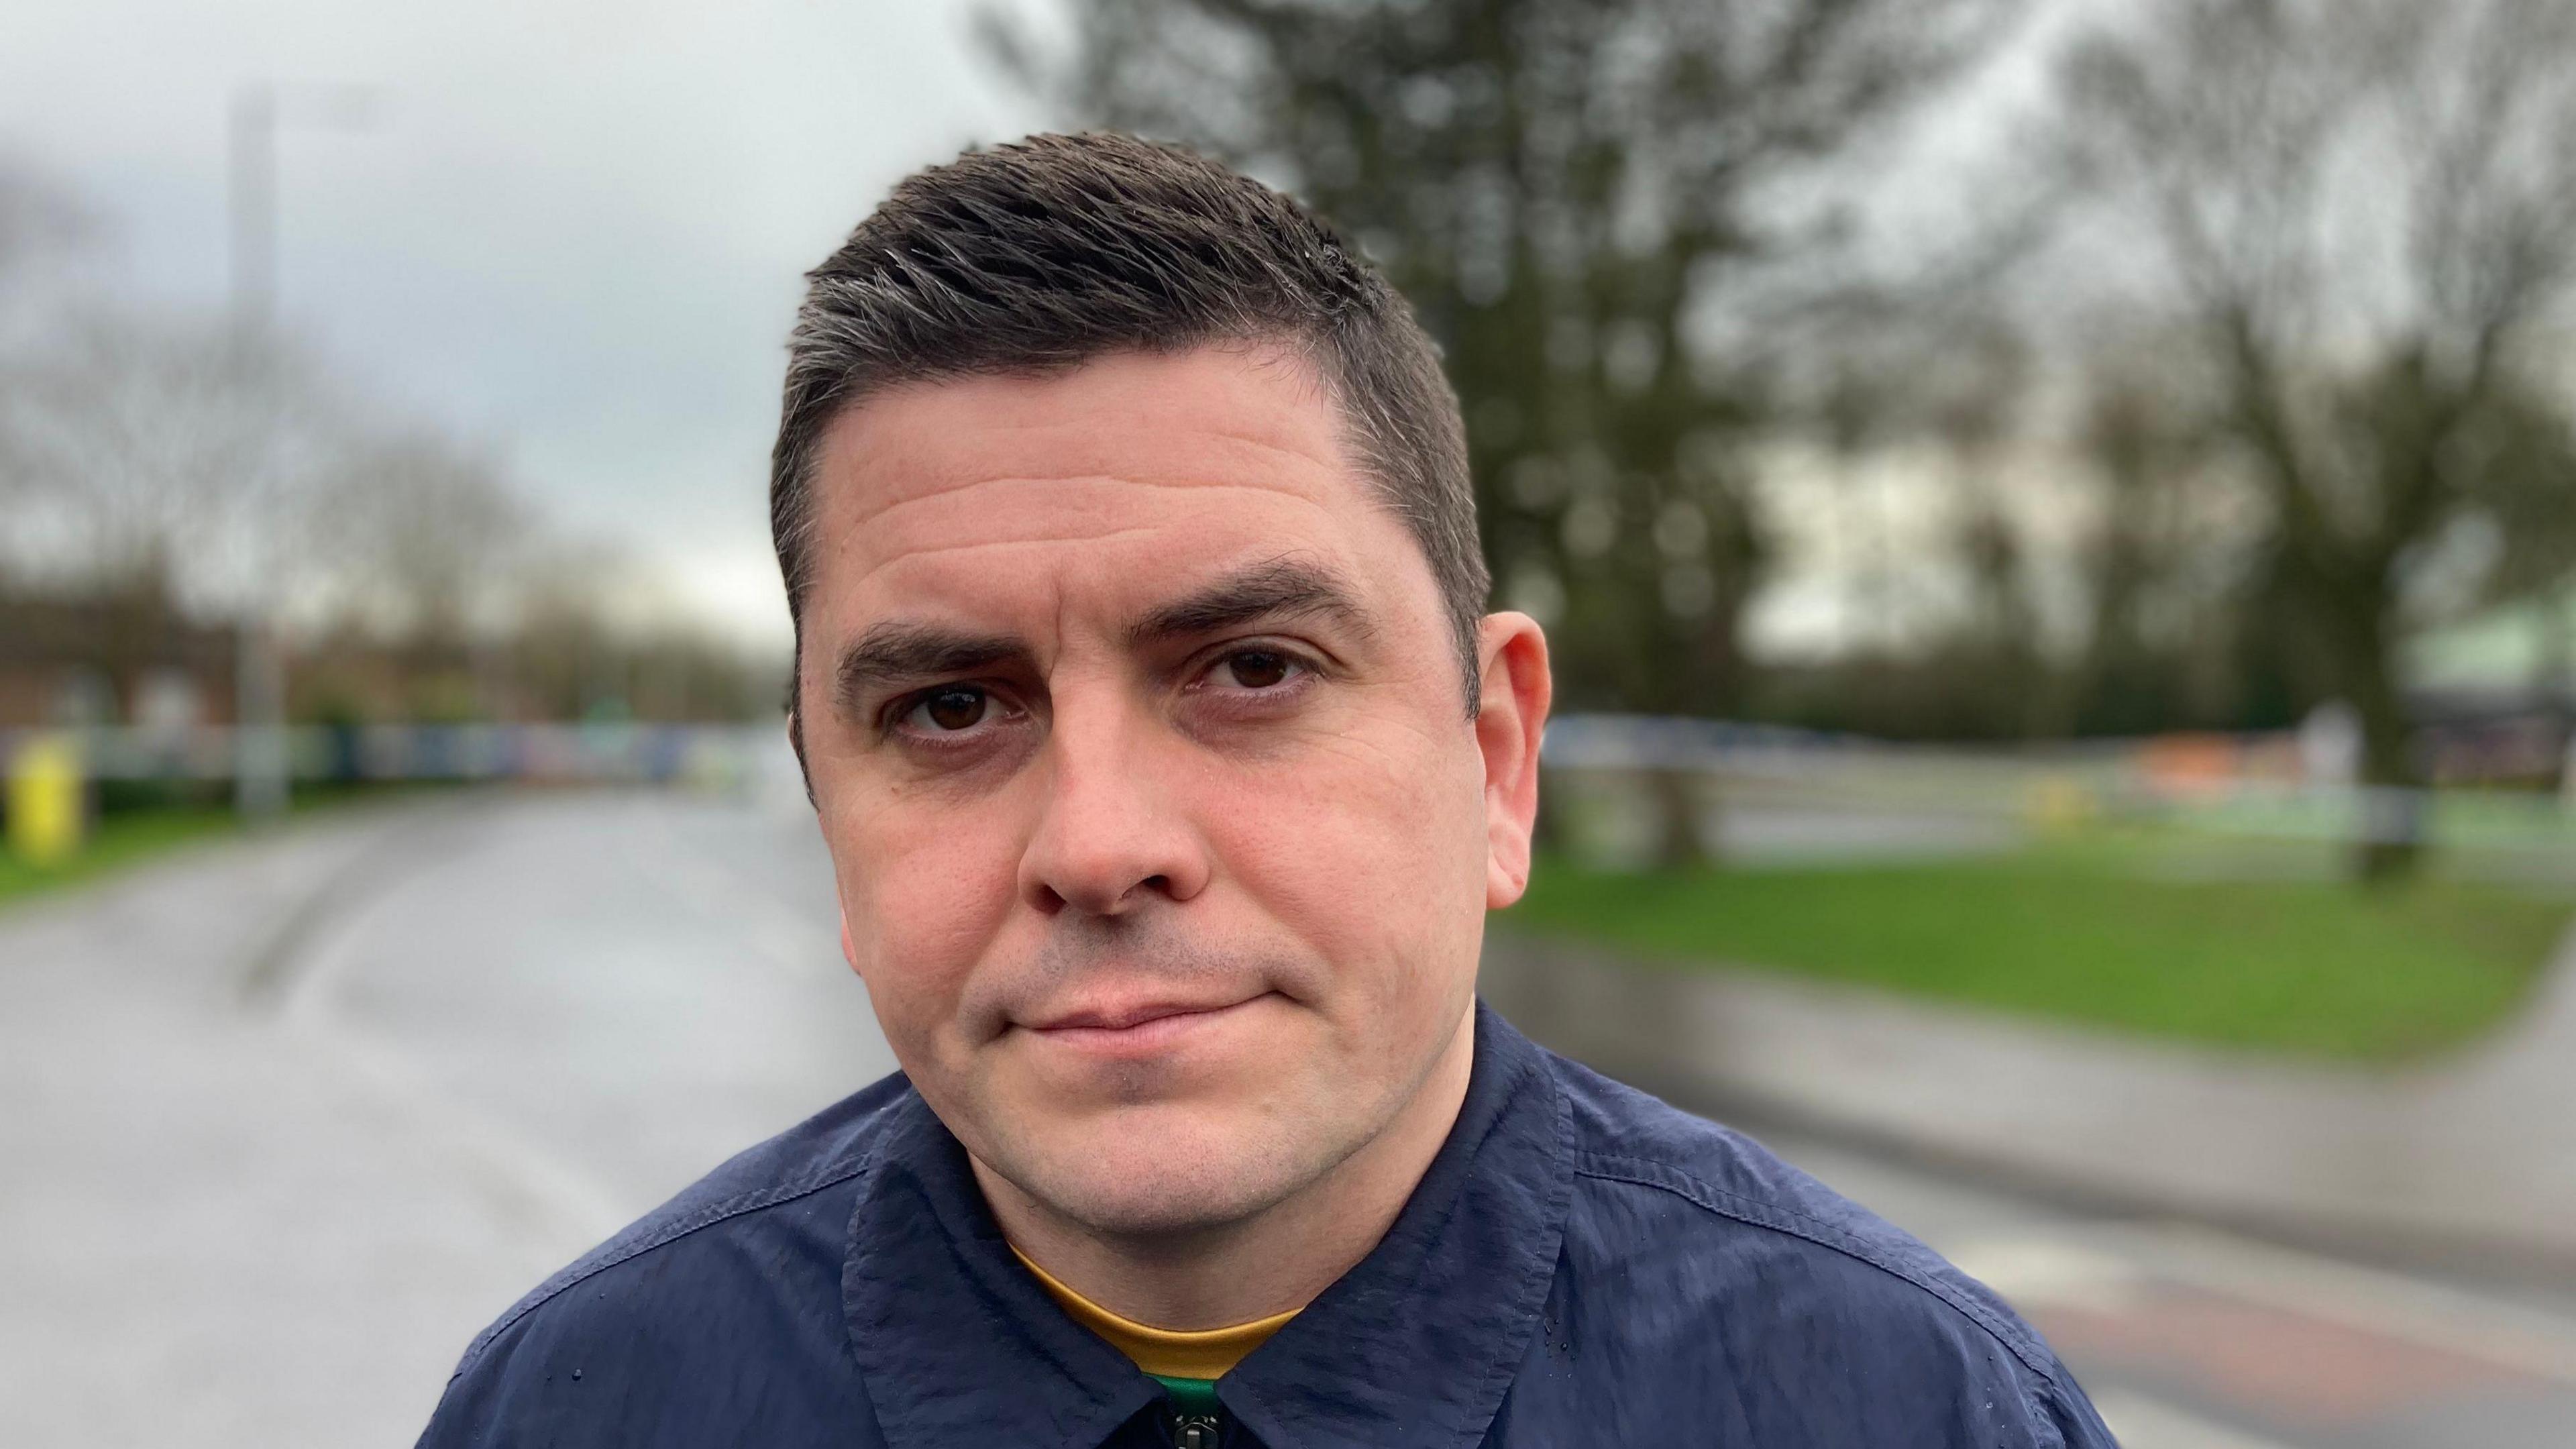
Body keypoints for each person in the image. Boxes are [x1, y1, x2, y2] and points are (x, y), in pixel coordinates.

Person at [417, 131, 2115, 1448]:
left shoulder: (1907, 1405)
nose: (1099, 845)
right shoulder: (582, 1405)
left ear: (1493, 756)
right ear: (828, 815)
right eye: (951, 706)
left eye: (1250, 671)